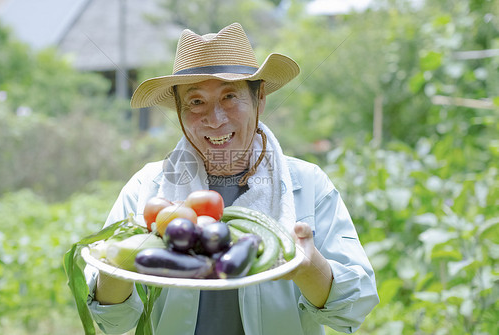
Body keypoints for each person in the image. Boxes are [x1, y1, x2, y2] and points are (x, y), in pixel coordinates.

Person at [85, 22, 379, 335]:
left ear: (260, 99)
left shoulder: (308, 184)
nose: (215, 119)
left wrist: (308, 268)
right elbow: (113, 323)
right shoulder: (146, 189)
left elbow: (354, 308)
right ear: (180, 111)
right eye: (196, 101)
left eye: (230, 96)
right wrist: (115, 267)